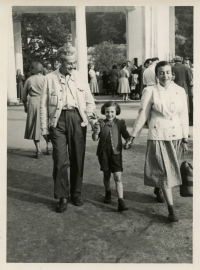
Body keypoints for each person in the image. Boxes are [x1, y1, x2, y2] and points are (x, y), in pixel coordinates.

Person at [125, 61, 189, 222]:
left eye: (168, 72)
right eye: (161, 73)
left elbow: (184, 115)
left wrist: (185, 137)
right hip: (158, 134)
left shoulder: (180, 90)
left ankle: (158, 187)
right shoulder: (150, 90)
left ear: (172, 74)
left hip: (176, 135)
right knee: (166, 173)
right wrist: (132, 136)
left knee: (168, 170)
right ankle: (171, 209)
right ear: (156, 75)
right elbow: (143, 114)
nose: (165, 76)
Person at [40, 45, 96, 213]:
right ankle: (63, 196)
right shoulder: (49, 78)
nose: (72, 66)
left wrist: (92, 119)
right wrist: (44, 129)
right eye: (70, 63)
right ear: (60, 62)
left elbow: (89, 101)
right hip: (57, 122)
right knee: (60, 160)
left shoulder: (80, 77)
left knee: (77, 159)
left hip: (78, 120)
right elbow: (43, 105)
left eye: (74, 63)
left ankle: (76, 193)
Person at [92, 101, 130, 211]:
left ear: (116, 111)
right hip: (103, 154)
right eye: (107, 112)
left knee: (118, 177)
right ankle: (108, 192)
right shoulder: (100, 123)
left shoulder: (120, 123)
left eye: (112, 112)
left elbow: (126, 136)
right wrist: (96, 131)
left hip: (116, 154)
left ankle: (121, 201)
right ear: (104, 112)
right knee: (107, 175)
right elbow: (95, 138)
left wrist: (128, 142)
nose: (110, 114)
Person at [22, 62, 52, 158]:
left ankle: (38, 150)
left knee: (35, 127)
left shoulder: (29, 80)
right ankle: (48, 146)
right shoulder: (45, 78)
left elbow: (23, 97)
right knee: (46, 124)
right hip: (44, 102)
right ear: (41, 69)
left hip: (33, 103)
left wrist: (25, 106)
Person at [172, 56, 192, 122]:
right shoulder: (186, 68)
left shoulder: (172, 68)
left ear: (174, 61)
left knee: (175, 104)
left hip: (174, 87)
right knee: (185, 104)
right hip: (184, 87)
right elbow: (189, 79)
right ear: (181, 61)